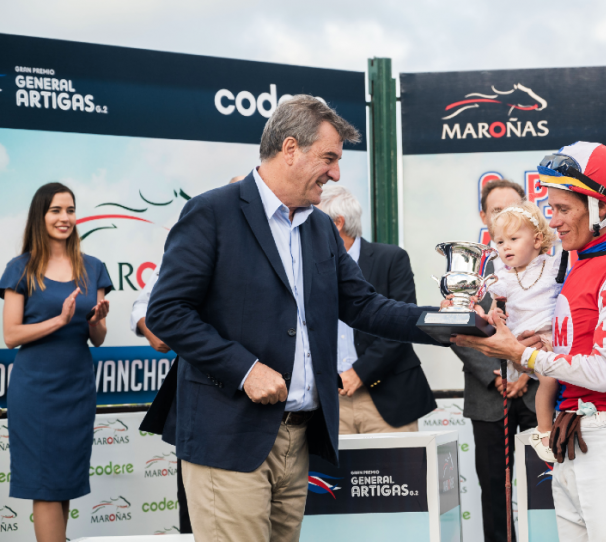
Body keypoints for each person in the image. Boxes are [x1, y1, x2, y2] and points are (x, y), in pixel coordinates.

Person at [141, 95, 441, 542]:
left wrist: (451, 324)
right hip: (229, 440)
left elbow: (364, 305)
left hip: (297, 444)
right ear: (289, 149)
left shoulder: (320, 228)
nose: (336, 173)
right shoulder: (213, 212)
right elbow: (166, 312)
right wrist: (244, 369)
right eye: (329, 158)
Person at [455, 141, 606, 541]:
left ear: (600, 207)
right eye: (551, 208)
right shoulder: (576, 267)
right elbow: (566, 357)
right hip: (570, 437)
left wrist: (524, 354)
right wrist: (520, 346)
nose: (555, 221)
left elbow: (602, 372)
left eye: (564, 209)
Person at [132, 175, 246, 534]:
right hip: (201, 402)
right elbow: (148, 305)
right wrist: (156, 332)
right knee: (195, 517)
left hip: (262, 413)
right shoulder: (205, 236)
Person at [0, 182, 112, 542]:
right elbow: (11, 335)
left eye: (70, 210)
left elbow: (98, 338)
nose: (65, 218)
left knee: (63, 484)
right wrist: (59, 321)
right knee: (45, 487)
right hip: (35, 392)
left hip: (77, 388)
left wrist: (95, 320)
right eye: (55, 211)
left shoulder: (94, 267)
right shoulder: (20, 268)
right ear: (40, 216)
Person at [450, 178, 536, 542]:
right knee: (495, 490)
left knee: (546, 484)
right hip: (489, 395)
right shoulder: (469, 266)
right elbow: (457, 329)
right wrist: (496, 375)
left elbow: (556, 325)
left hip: (536, 391)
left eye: (511, 209)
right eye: (496, 210)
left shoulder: (546, 264)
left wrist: (526, 372)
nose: (503, 217)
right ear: (484, 216)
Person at [443, 201, 560, 461]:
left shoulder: (553, 266)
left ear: (538, 239)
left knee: (552, 379)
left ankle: (547, 428)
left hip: (551, 339)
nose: (505, 246)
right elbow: (497, 308)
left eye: (513, 239)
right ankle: (545, 431)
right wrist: (495, 315)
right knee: (548, 379)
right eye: (499, 242)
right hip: (519, 346)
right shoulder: (502, 278)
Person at [318, 184, 436, 433]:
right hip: (328, 402)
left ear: (337, 223)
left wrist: (358, 372)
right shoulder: (309, 266)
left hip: (388, 397)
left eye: (313, 219)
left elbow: (402, 325)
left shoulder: (391, 259)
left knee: (398, 471)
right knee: (332, 474)